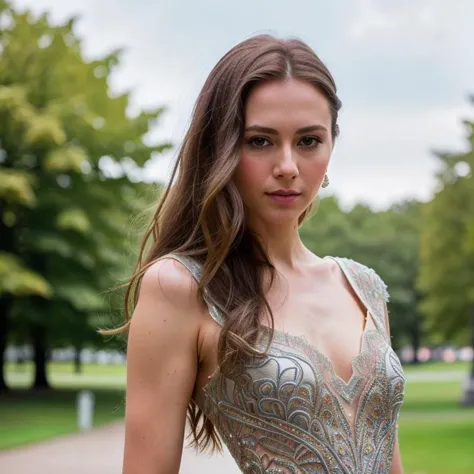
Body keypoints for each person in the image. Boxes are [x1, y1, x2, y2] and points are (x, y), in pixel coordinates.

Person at [114, 34, 406, 474]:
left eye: (308, 141)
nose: (287, 165)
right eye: (260, 141)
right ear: (221, 151)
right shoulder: (180, 288)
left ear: (330, 147)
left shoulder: (363, 288)